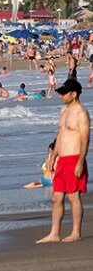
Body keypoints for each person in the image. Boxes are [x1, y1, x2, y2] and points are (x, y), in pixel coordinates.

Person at [37, 79, 89, 243]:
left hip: (74, 158)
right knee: (57, 197)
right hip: (61, 159)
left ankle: (76, 232)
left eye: (64, 93)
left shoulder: (81, 113)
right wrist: (53, 157)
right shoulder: (63, 111)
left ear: (73, 94)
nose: (61, 96)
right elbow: (60, 136)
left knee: (73, 197)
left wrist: (81, 161)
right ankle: (54, 233)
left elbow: (85, 139)